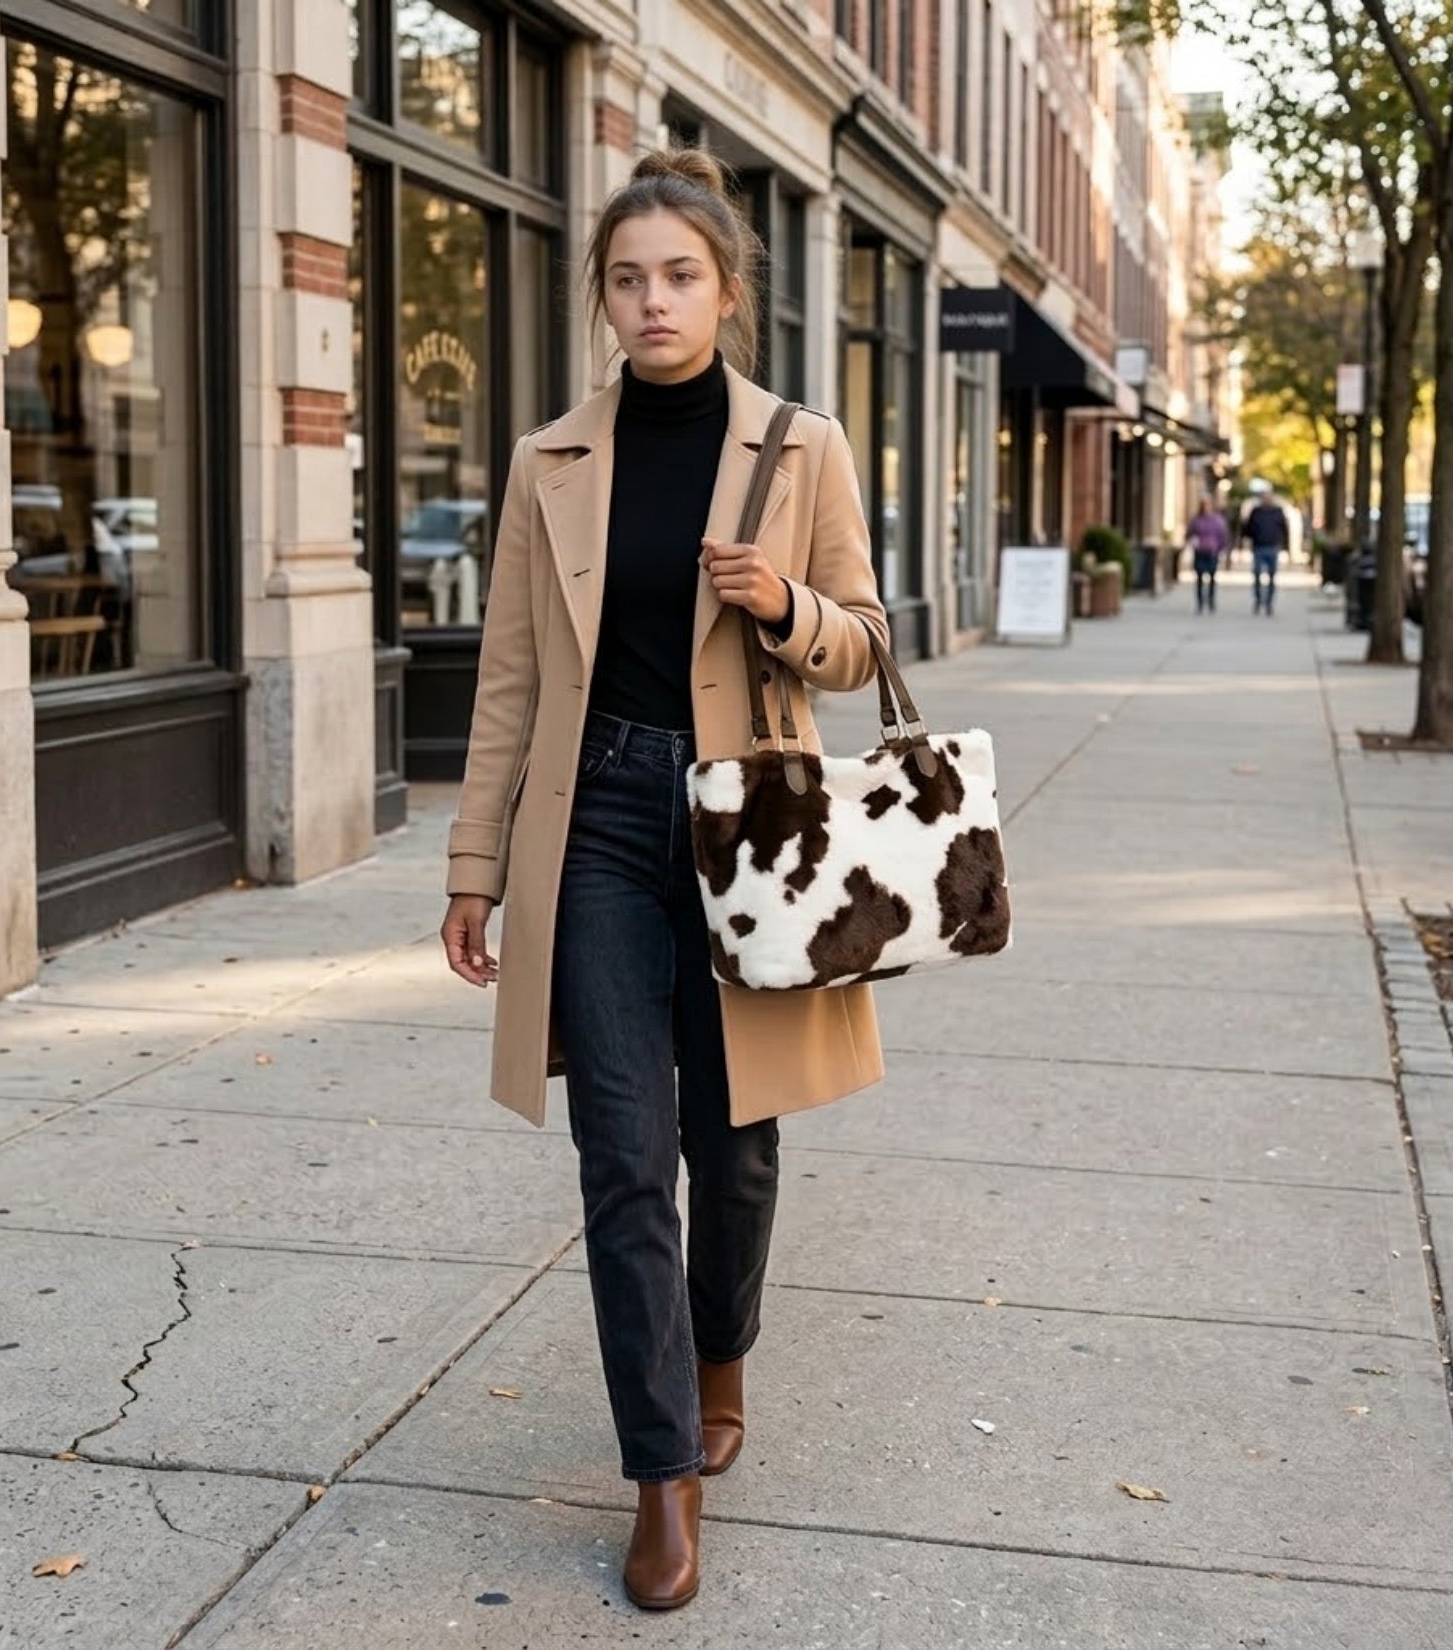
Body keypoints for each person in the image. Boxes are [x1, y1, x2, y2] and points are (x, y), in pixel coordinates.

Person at [439, 147, 889, 1612]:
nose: (652, 300)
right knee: (621, 1153)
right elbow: (508, 678)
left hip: (748, 812)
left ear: (726, 291)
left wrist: (789, 607)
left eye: (678, 276)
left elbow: (868, 641)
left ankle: (719, 1356)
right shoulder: (549, 459)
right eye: (627, 278)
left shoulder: (798, 448)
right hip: (599, 827)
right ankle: (658, 1473)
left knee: (735, 1140)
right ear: (602, 297)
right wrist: (472, 865)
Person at [1242, 487, 1290, 615]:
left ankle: (1269, 602)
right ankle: (1258, 600)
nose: (1266, 499)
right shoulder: (1256, 511)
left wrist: (1284, 545)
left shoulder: (1277, 511)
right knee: (1257, 575)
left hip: (1272, 547)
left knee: (1272, 576)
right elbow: (1248, 528)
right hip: (1259, 547)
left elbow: (1284, 529)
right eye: (1264, 497)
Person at [1186, 496, 1230, 613]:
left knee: (1212, 577)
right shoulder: (1196, 520)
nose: (1206, 508)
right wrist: (1193, 542)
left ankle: (1211, 601)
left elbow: (1222, 536)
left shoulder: (1217, 520)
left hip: (1212, 552)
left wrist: (1220, 549)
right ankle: (1200, 602)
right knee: (1199, 578)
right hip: (1199, 551)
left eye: (1208, 505)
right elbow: (1189, 534)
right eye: (1204, 505)